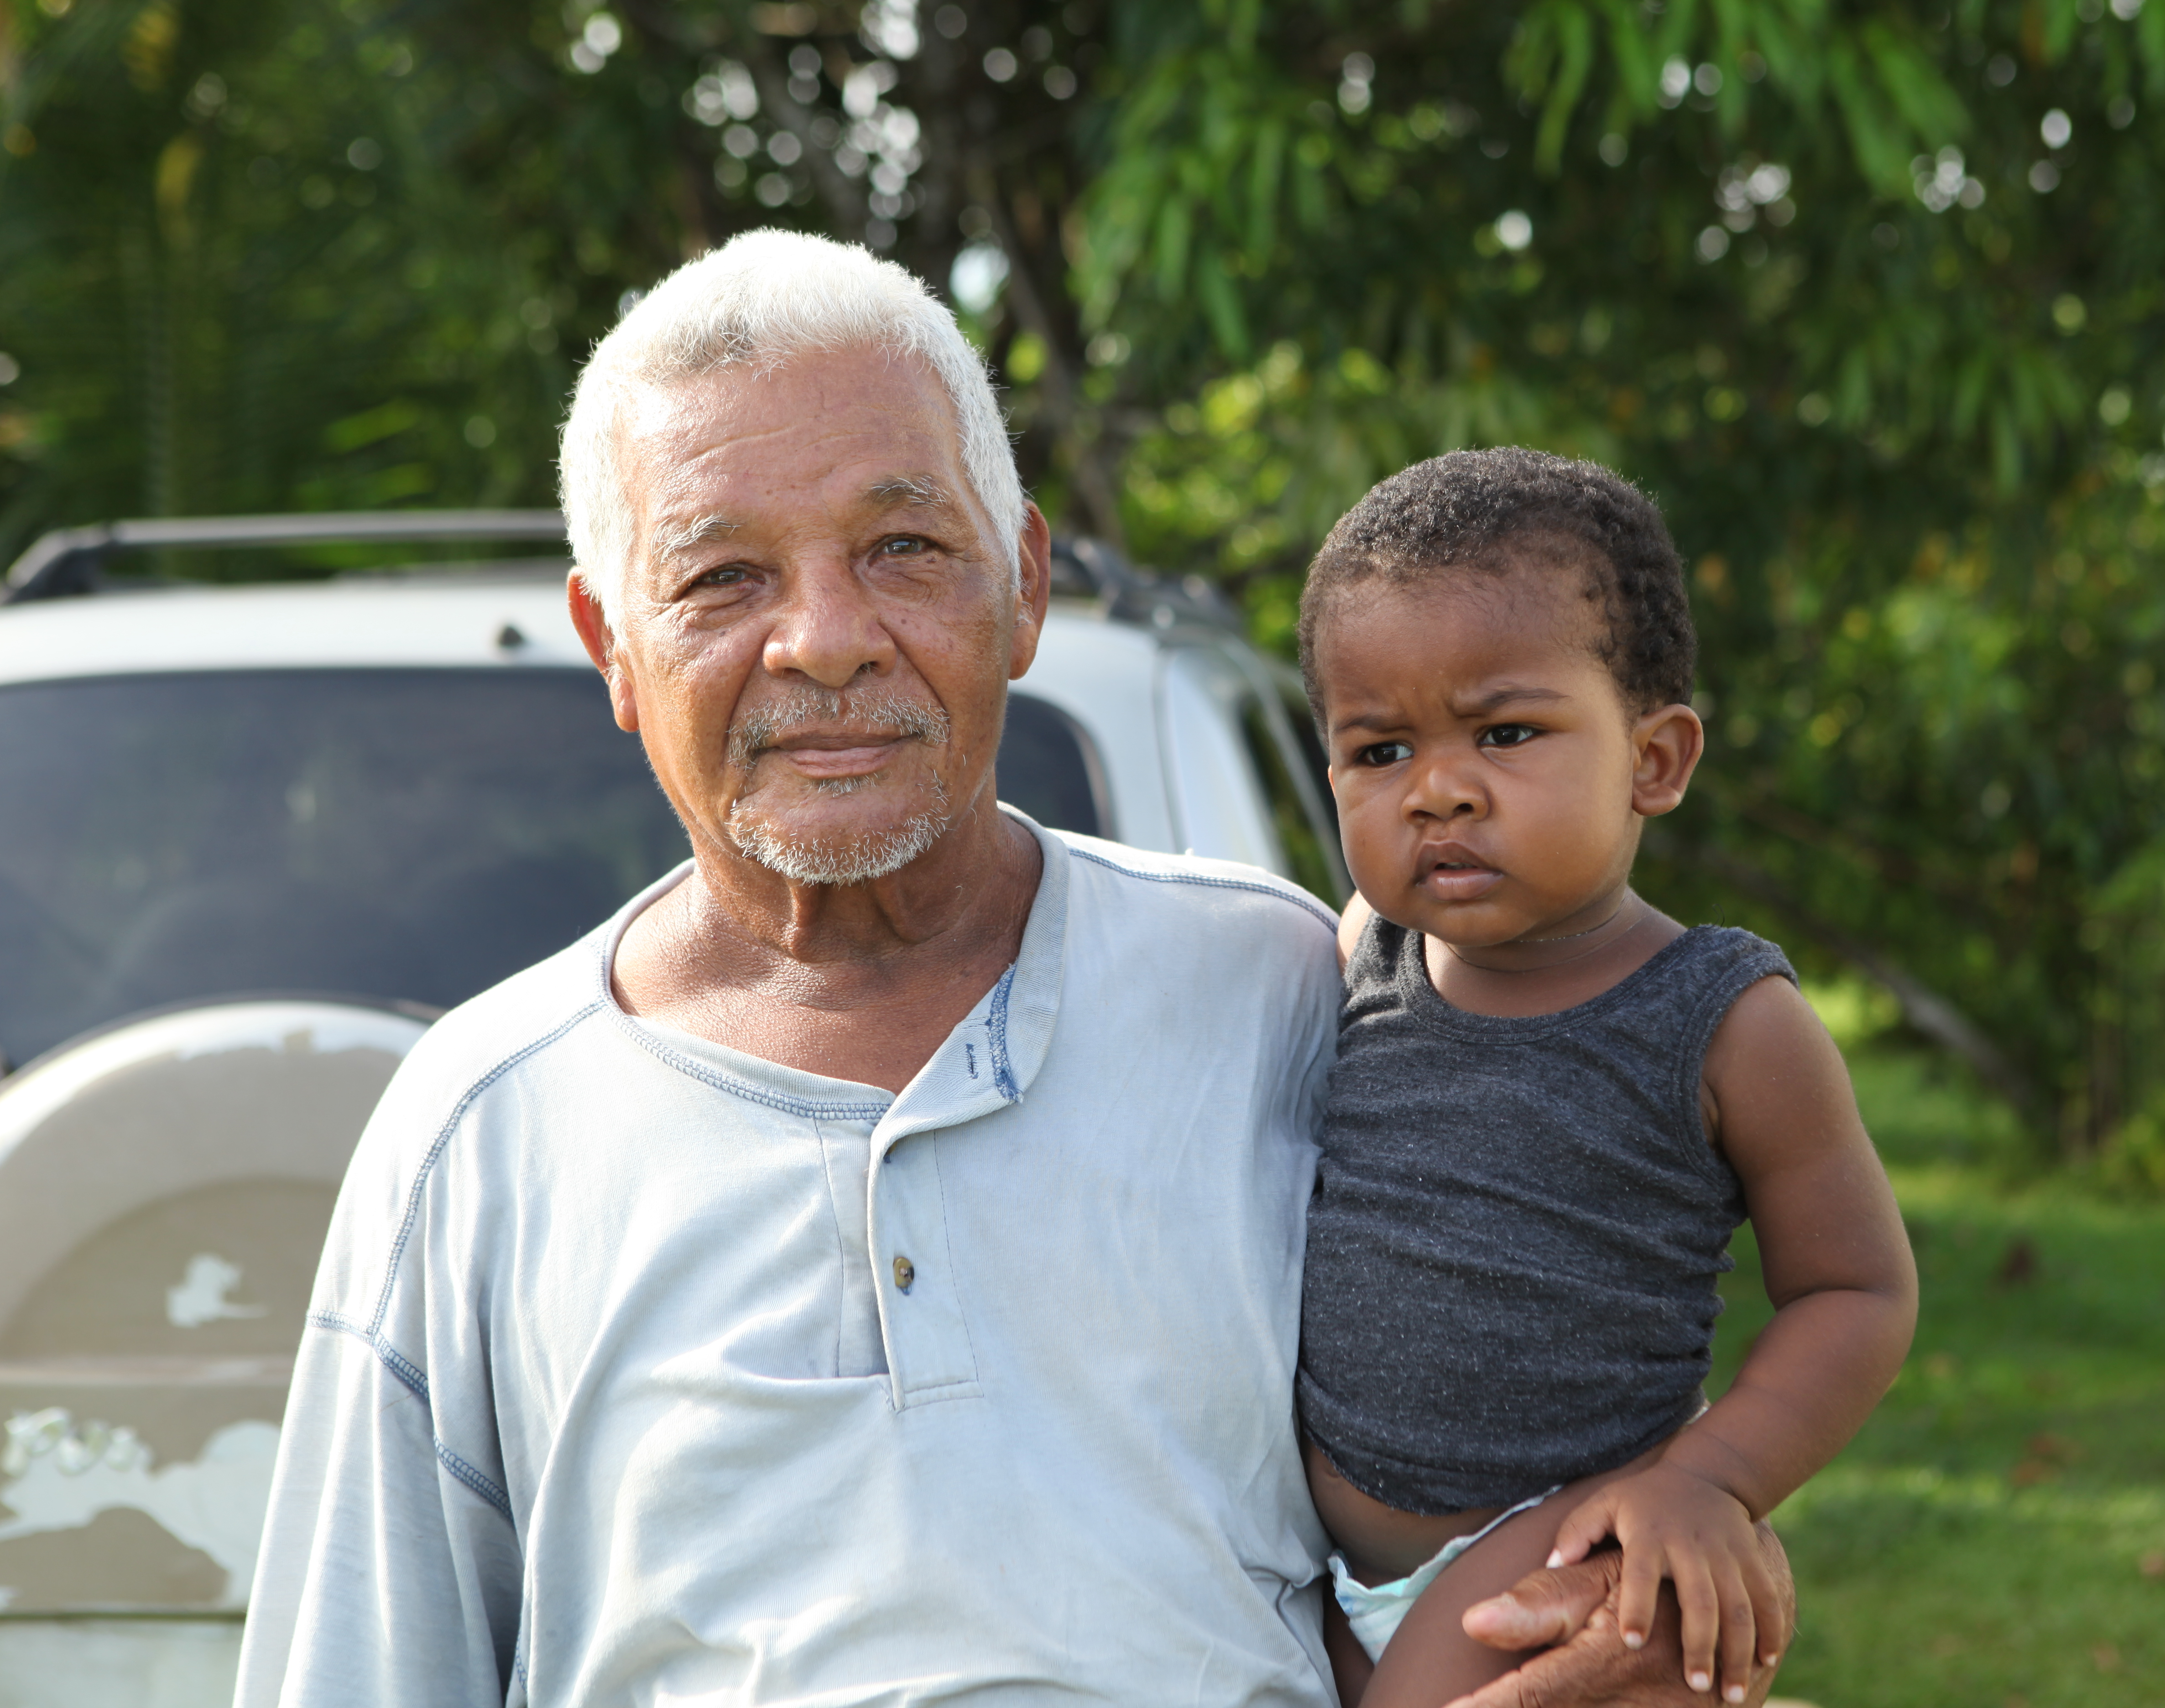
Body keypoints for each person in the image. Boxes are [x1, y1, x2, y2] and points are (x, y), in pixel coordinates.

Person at [233, 232, 1759, 1706]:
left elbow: (1568, 1374)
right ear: (612, 647)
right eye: (721, 580)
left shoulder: (1283, 989)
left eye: (903, 548)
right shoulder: (480, 1133)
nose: (825, 639)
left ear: (1021, 586)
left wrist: (1668, 1568)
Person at [1292, 450, 1920, 1706]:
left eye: (1507, 733)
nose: (1440, 790)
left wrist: (1708, 1481)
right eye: (1380, 751)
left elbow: (1856, 1289)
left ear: (1657, 761)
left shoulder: (1725, 1019)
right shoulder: (1364, 951)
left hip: (1559, 1539)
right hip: (1319, 1556)